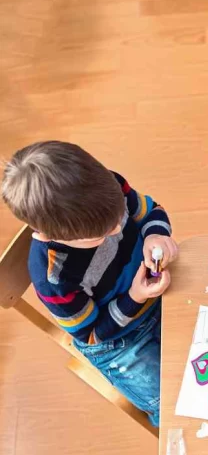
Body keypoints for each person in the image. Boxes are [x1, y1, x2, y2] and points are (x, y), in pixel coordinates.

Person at [1, 141, 178, 427]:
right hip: (118, 342)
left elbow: (150, 212)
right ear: (49, 236)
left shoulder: (109, 188)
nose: (118, 229)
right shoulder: (53, 278)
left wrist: (156, 236)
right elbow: (93, 334)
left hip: (157, 297)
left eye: (117, 215)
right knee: (174, 404)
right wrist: (135, 296)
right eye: (101, 234)